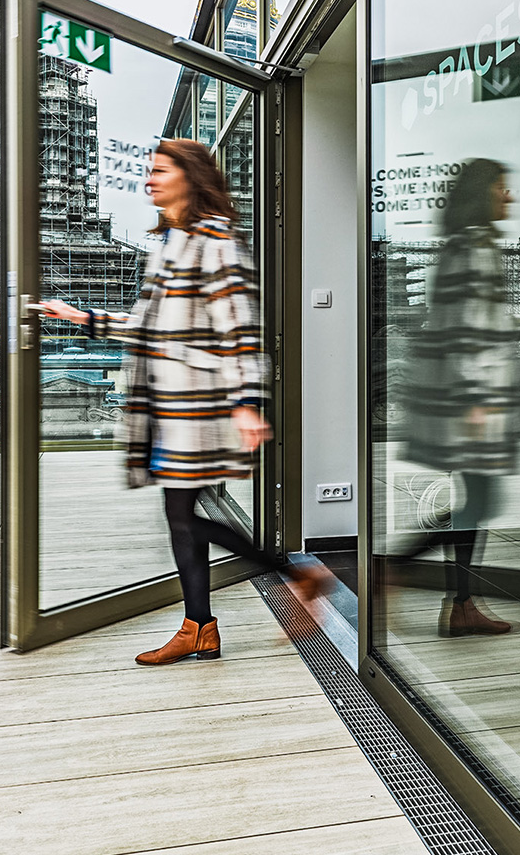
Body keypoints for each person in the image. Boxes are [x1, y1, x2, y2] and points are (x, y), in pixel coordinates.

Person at [42, 139, 329, 665]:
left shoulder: (215, 239)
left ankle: (294, 578)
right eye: (148, 171)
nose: (149, 179)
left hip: (201, 404)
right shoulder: (173, 242)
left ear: (190, 178)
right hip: (172, 405)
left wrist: (247, 399)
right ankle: (201, 625)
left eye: (159, 170)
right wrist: (82, 318)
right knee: (180, 513)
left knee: (182, 515)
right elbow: (151, 328)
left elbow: (242, 324)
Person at [404, 158, 520, 637]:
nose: (508, 197)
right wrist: (474, 402)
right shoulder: (476, 247)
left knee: (477, 499)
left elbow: (474, 322)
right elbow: (468, 332)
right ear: (482, 192)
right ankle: (396, 570)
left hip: (464, 396)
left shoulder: (462, 245)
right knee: (481, 499)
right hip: (473, 400)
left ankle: (462, 604)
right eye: (501, 187)